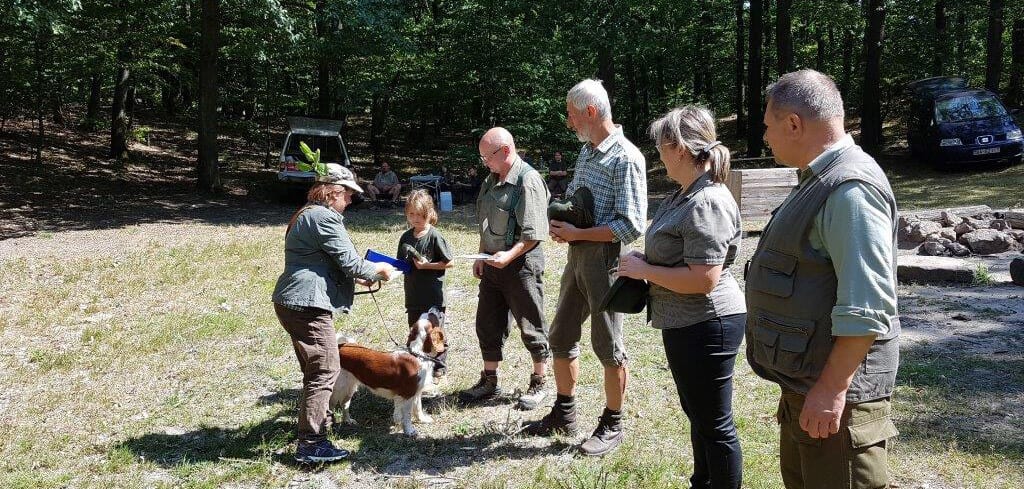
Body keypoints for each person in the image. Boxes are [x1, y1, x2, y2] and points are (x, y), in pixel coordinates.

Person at [746, 69, 900, 488]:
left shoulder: (850, 188)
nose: (766, 137)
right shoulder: (818, 181)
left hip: (840, 397)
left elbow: (867, 306)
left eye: (768, 126)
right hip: (811, 385)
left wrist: (832, 389)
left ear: (793, 124)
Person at [616, 106, 746, 488]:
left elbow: (704, 279)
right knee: (699, 415)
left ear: (678, 148)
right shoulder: (685, 194)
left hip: (708, 322)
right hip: (686, 321)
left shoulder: (707, 201)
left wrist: (644, 271)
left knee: (715, 422)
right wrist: (647, 259)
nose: (657, 154)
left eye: (660, 147)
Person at [524, 79, 647, 457]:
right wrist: (566, 226)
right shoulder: (588, 152)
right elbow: (579, 198)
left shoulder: (625, 157)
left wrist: (581, 231)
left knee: (609, 346)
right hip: (578, 256)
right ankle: (565, 411)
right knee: (560, 335)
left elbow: (631, 224)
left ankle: (613, 423)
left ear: (591, 112)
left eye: (572, 115)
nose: (569, 122)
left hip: (606, 262)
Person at [271, 163, 396, 464]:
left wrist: (361, 275)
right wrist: (380, 271)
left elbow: (327, 261)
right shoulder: (325, 217)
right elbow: (351, 263)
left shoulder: (305, 214)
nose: (351, 201)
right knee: (326, 369)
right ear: (331, 193)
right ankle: (312, 444)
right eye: (348, 195)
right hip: (307, 303)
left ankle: (318, 428)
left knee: (315, 371)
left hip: (293, 300)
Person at [458, 127, 552, 411]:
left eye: (487, 156)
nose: (484, 162)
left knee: (531, 324)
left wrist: (508, 256)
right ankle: (489, 380)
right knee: (487, 323)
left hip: (521, 264)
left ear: (506, 151)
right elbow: (486, 222)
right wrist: (481, 253)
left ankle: (540, 382)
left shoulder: (528, 180)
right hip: (492, 264)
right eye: (482, 157)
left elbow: (534, 234)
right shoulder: (490, 180)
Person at [397, 189, 454, 389]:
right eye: (411, 214)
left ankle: (439, 370)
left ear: (429, 213)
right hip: (413, 294)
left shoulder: (435, 236)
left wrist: (426, 265)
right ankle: (417, 367)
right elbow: (400, 264)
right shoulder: (405, 237)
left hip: (433, 296)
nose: (415, 219)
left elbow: (449, 263)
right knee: (415, 332)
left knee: (435, 334)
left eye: (420, 215)